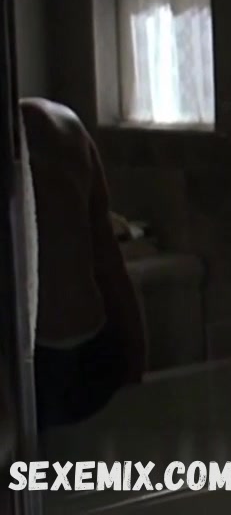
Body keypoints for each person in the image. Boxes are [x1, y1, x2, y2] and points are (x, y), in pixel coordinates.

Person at [21, 97, 148, 429]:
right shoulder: (64, 123)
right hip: (95, 342)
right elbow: (109, 261)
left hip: (36, 358)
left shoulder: (48, 129)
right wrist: (135, 358)